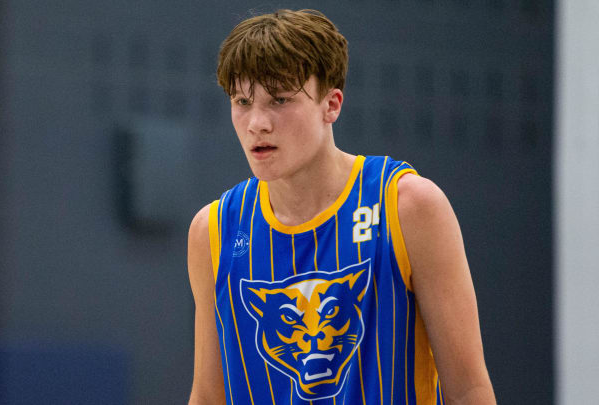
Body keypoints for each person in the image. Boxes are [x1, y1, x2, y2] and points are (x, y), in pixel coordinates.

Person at [187, 9, 495, 405]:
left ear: (331, 105)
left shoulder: (409, 206)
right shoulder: (212, 231)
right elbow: (208, 396)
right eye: (242, 101)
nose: (257, 123)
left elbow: (469, 390)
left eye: (279, 99)